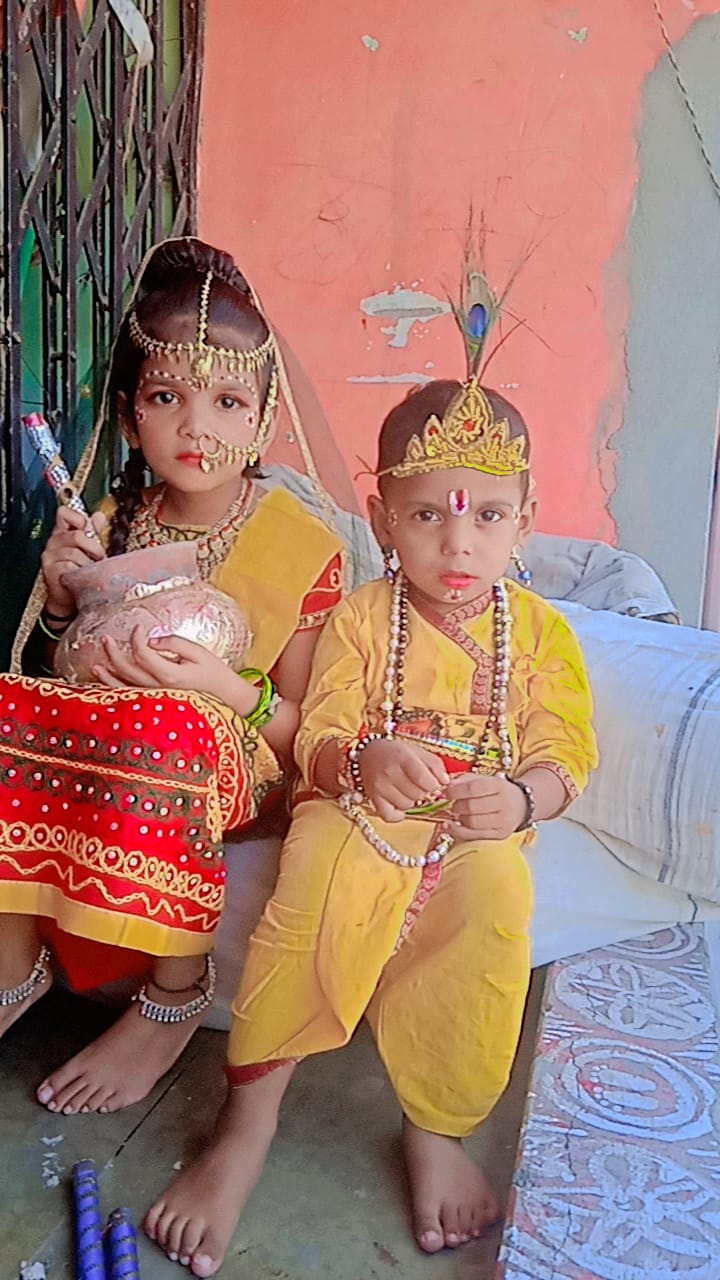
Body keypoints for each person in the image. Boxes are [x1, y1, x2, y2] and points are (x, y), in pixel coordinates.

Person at [144, 376, 598, 1274]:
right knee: (316, 880)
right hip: (356, 815)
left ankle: (435, 1127)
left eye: (488, 516)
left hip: (470, 834)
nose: (458, 543)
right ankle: (247, 1125)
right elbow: (317, 737)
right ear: (381, 516)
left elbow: (566, 752)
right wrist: (364, 762)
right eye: (426, 515)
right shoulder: (361, 619)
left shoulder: (541, 635)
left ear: (526, 520)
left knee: (496, 895)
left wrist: (520, 800)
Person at [0, 237, 344, 1117]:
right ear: (128, 417)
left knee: (170, 724)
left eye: (228, 400)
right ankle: (14, 962)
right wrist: (63, 601)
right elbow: (61, 669)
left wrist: (222, 690)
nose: (198, 428)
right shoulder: (115, 516)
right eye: (167, 397)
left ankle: (176, 992)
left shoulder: (302, 545)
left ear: (262, 419)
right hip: (112, 735)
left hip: (231, 757)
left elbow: (304, 733)